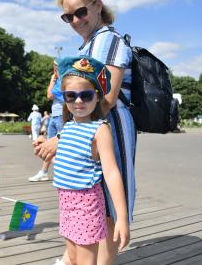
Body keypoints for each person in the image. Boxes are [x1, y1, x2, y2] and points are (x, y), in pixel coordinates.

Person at [36, 0, 137, 264]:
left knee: (109, 206)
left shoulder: (108, 40)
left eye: (80, 12)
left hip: (109, 126)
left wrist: (63, 137)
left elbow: (108, 97)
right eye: (68, 17)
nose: (76, 21)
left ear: (97, 5)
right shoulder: (92, 43)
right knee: (97, 205)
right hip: (91, 128)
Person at [54, 56, 129, 264]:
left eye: (85, 95)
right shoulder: (67, 126)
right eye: (71, 95)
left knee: (86, 261)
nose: (78, 101)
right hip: (65, 202)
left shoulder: (99, 128)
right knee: (73, 256)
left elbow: (112, 172)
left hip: (86, 204)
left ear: (97, 96)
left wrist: (121, 217)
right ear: (65, 98)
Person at [29, 66, 64, 182]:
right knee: (49, 146)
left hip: (62, 116)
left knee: (61, 147)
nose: (55, 69)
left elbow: (50, 95)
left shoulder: (65, 78)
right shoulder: (57, 79)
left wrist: (53, 81)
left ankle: (63, 173)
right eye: (54, 67)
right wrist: (53, 80)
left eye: (56, 67)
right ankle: (44, 172)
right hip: (55, 115)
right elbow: (49, 95)